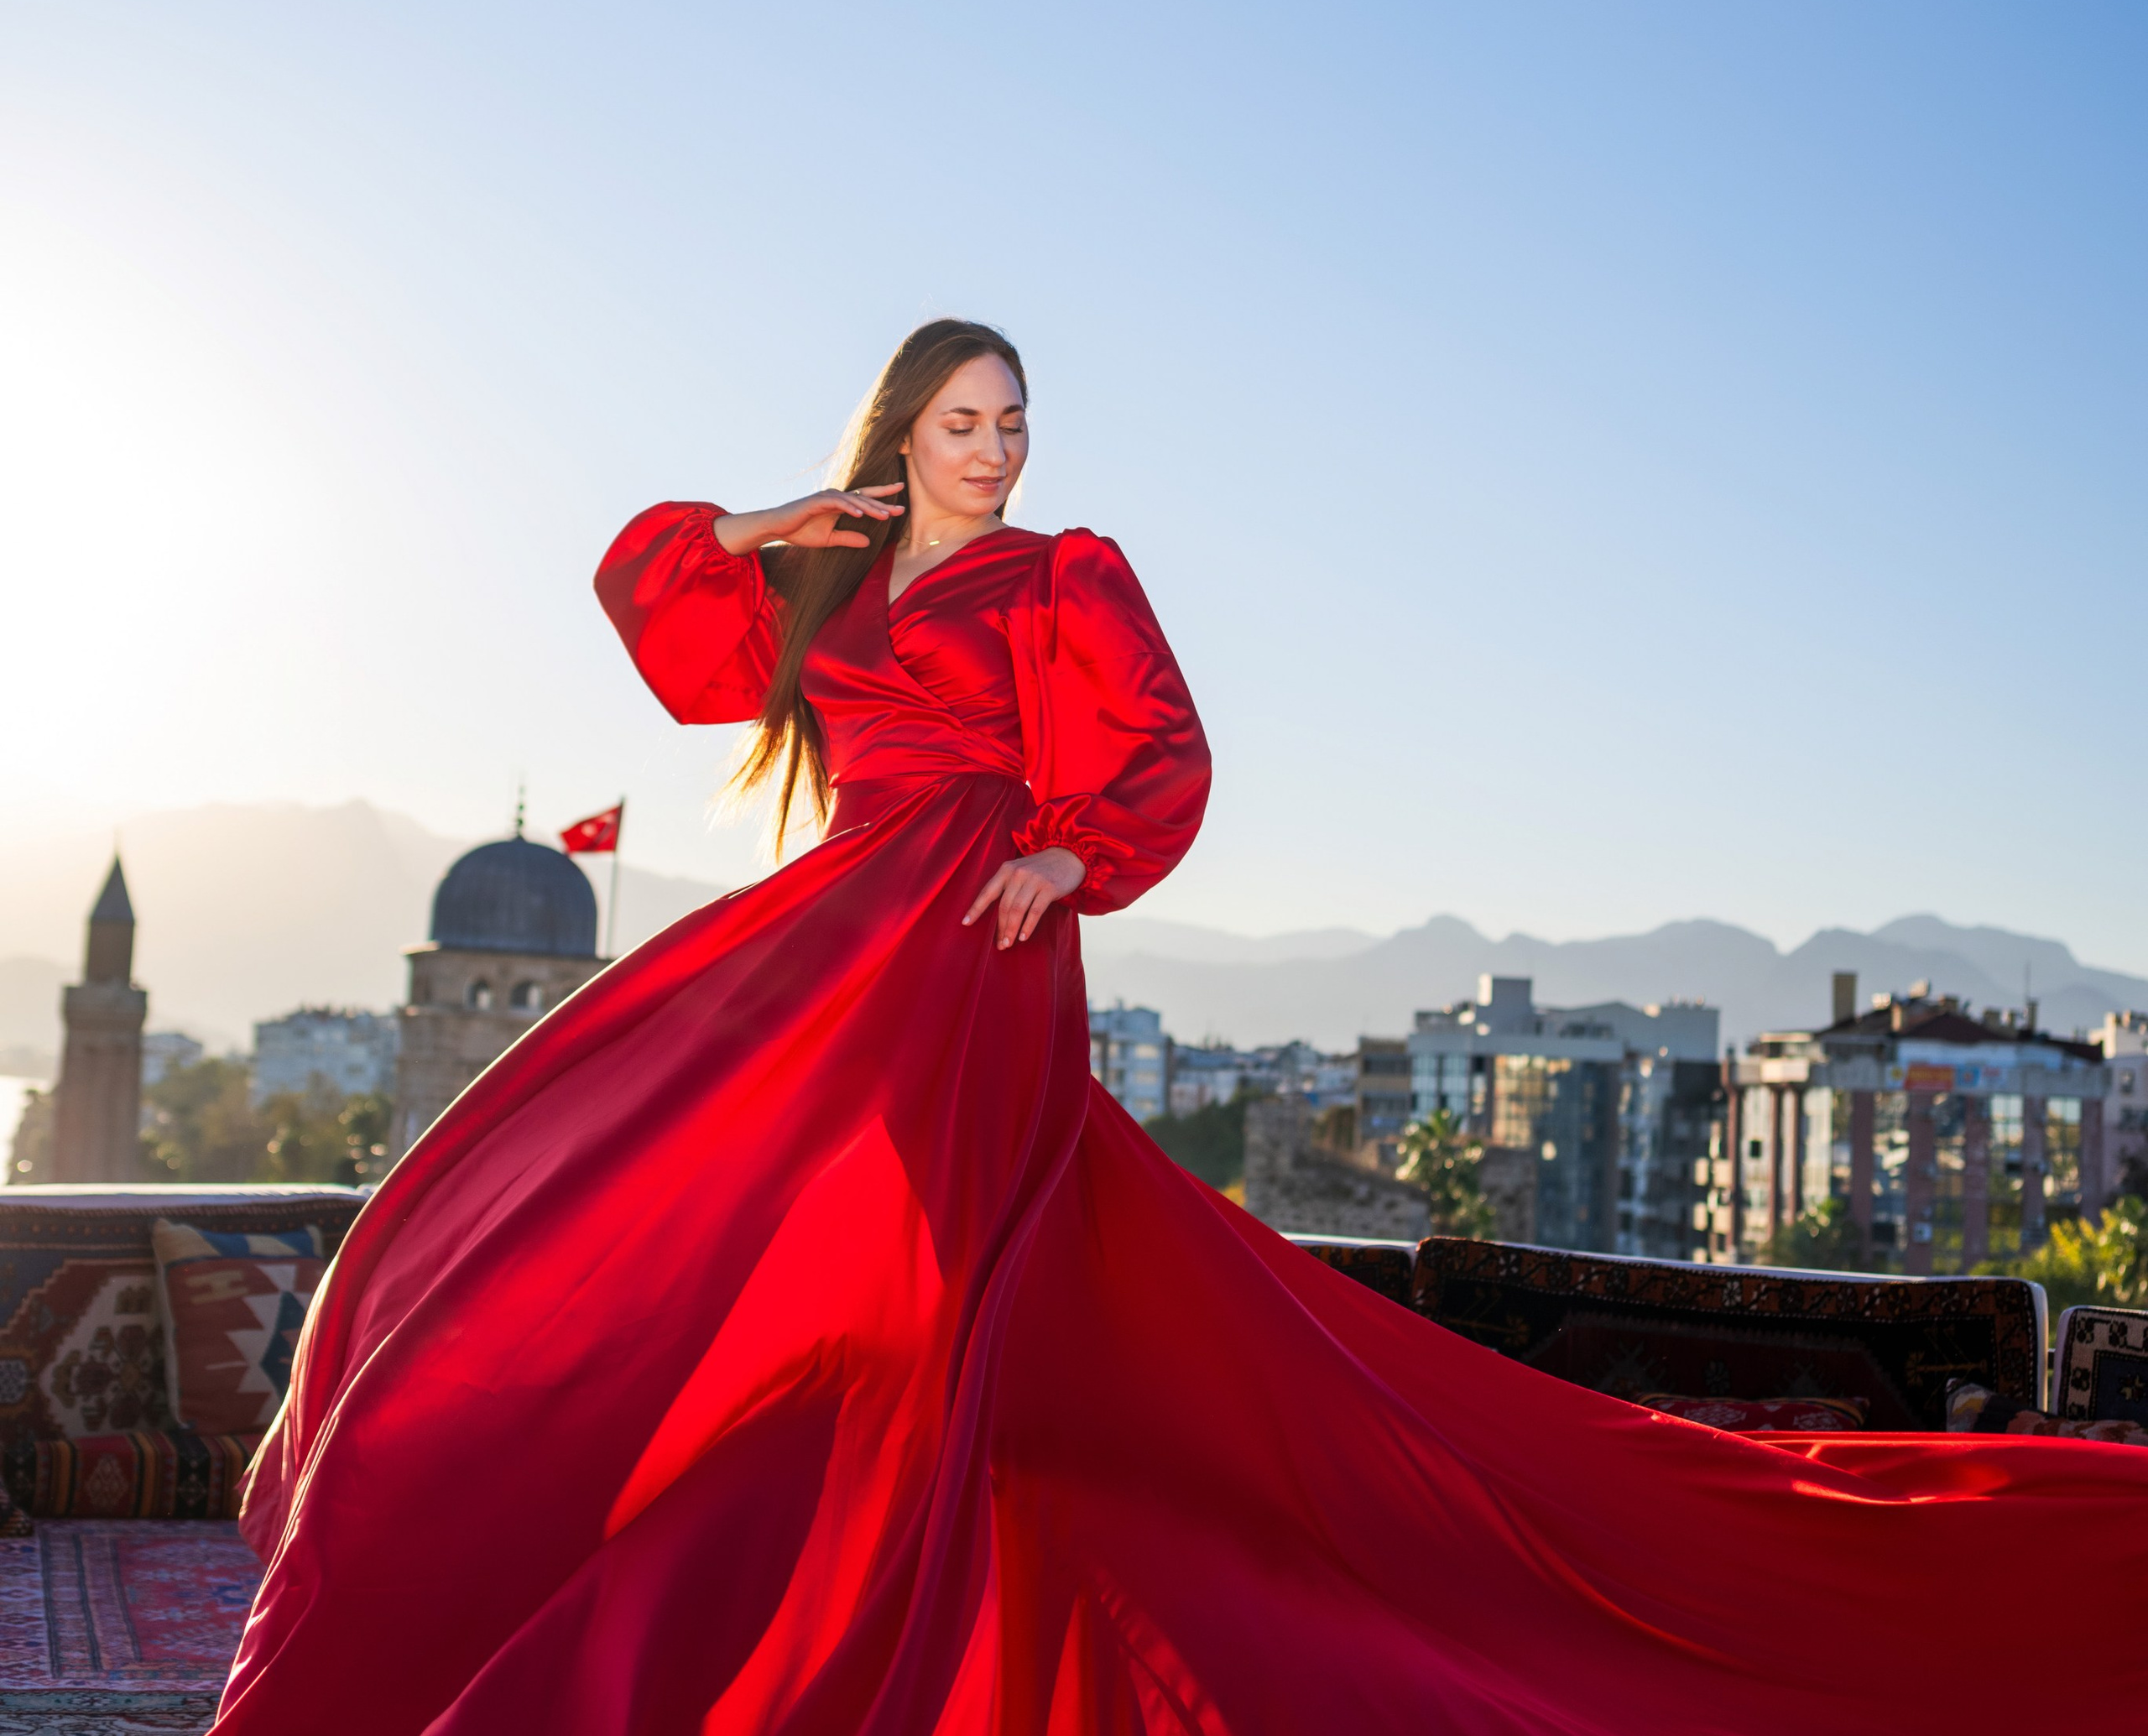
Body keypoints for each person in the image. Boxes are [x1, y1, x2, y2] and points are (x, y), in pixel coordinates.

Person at [218, 320, 2148, 1735]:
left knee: (945, 1278)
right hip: (843, 922)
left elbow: (1163, 742)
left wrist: (1068, 855)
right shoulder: (823, 565)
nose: (996, 448)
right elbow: (661, 612)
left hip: (975, 926)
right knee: (609, 1169)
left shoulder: (1066, 572)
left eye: (1016, 420)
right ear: (902, 425)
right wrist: (764, 512)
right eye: (962, 420)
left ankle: (882, 1589)